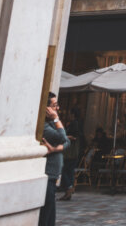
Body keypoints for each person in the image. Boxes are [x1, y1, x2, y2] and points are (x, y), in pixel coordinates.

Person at [39, 93, 69, 226]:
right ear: (46, 109)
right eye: (54, 105)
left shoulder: (51, 124)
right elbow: (63, 138)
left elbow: (67, 141)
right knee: (46, 218)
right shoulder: (45, 126)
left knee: (50, 218)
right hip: (48, 176)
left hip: (53, 177)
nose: (57, 108)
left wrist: (56, 149)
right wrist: (57, 120)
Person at [59, 105, 84, 200]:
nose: (68, 115)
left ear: (72, 114)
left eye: (69, 113)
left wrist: (67, 136)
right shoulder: (77, 123)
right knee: (69, 171)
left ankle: (69, 188)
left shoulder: (74, 124)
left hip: (70, 152)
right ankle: (68, 191)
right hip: (73, 152)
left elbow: (74, 136)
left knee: (64, 169)